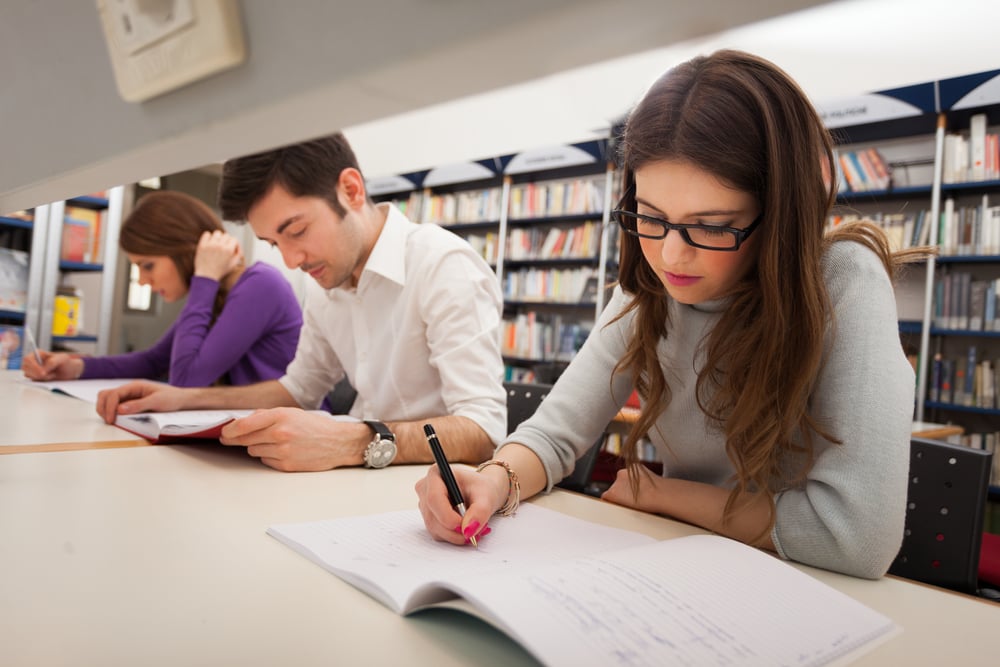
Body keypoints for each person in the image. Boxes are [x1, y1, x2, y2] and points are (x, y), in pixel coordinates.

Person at [415, 49, 931, 579]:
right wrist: (495, 479)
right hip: (682, 571)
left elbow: (856, 539)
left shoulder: (844, 280)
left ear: (780, 213)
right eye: (651, 217)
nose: (671, 257)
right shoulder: (650, 285)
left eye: (711, 225)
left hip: (805, 590)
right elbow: (552, 435)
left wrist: (663, 493)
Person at [96, 133, 506, 473]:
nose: (291, 259)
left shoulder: (443, 266)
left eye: (296, 230)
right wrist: (182, 399)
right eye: (274, 243)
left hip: (433, 492)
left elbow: (484, 430)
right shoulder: (326, 282)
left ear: (350, 190)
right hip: (360, 483)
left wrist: (355, 441)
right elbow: (298, 390)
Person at [23, 190, 302, 387]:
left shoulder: (260, 286)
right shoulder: (218, 293)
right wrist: (76, 367)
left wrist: (203, 278)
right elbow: (153, 361)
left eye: (148, 265)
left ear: (184, 250)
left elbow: (185, 380)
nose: (143, 280)